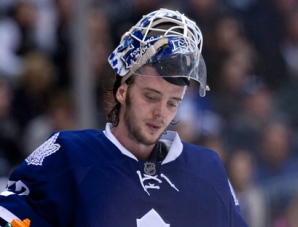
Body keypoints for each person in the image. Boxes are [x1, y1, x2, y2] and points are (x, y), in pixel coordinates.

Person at [0, 8, 248, 226]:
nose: (161, 113)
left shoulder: (207, 169)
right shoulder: (68, 155)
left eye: (173, 102)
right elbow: (8, 216)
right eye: (151, 97)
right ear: (122, 91)